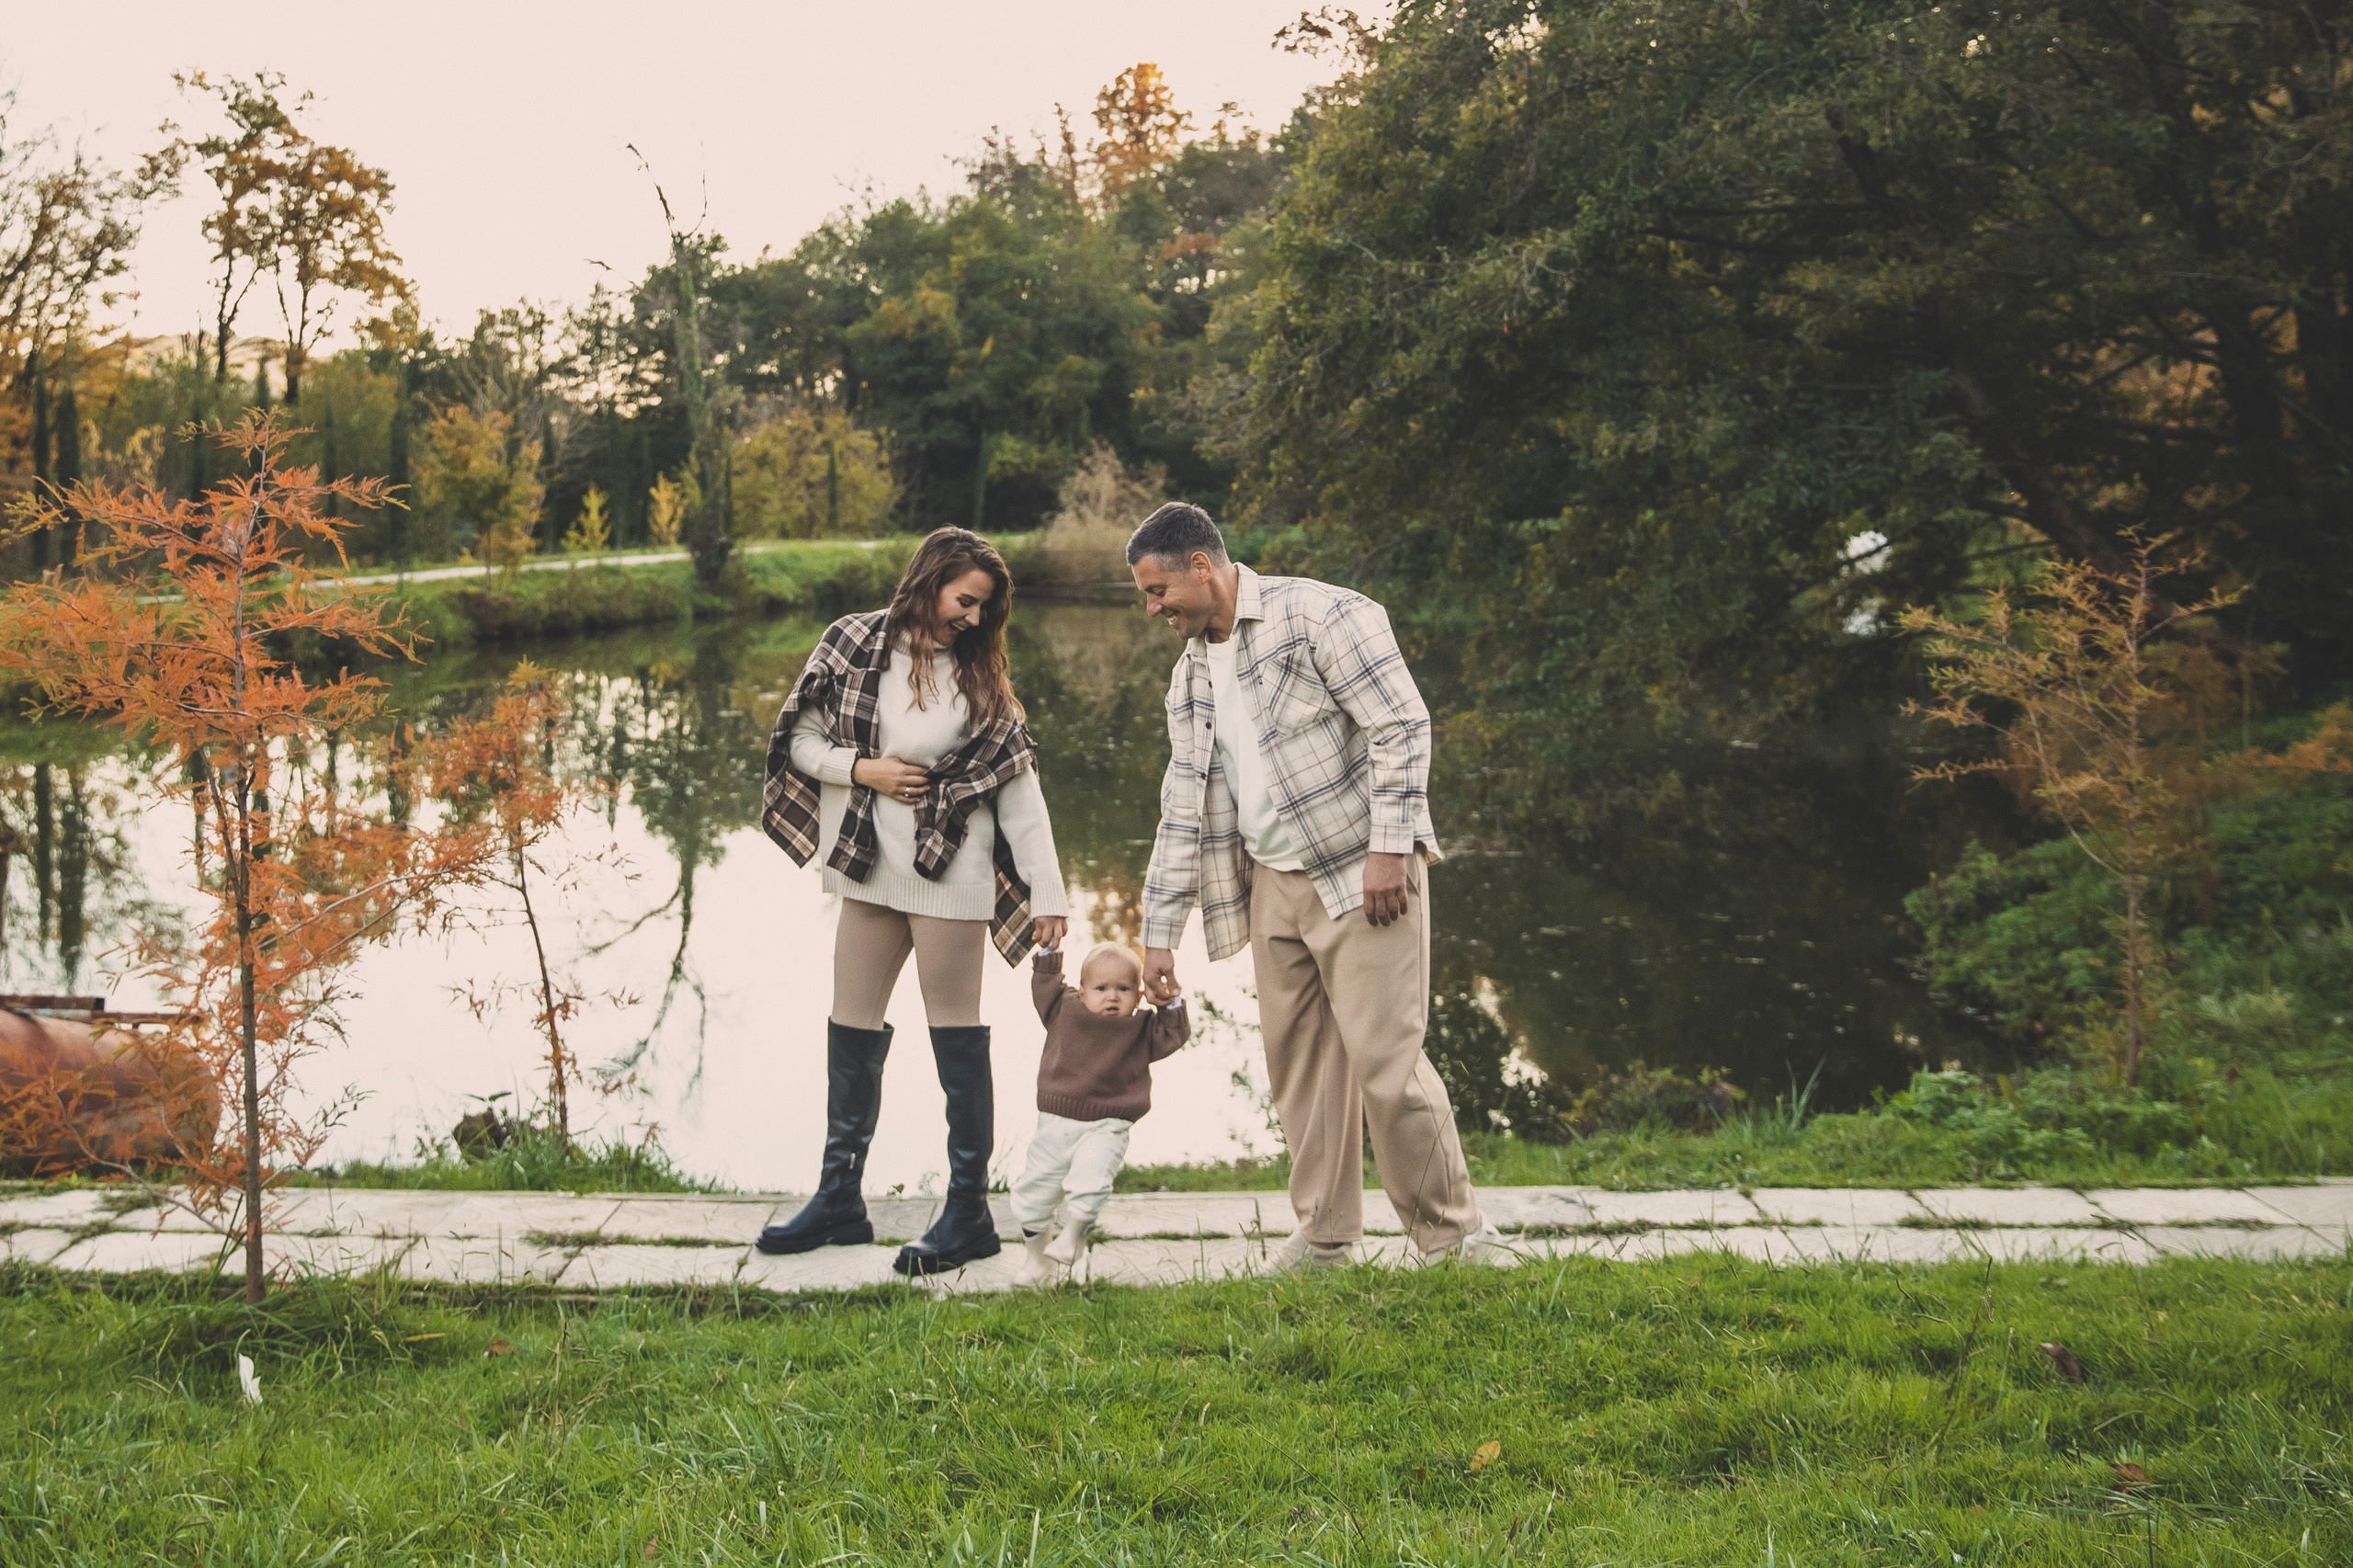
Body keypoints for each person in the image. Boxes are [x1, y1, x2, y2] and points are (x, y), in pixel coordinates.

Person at [1127, 503, 1494, 1272]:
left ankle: (1454, 1239)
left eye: (1158, 591)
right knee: (1300, 1070)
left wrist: (1390, 849)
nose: (1153, 609)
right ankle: (1326, 1237)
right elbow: (1181, 805)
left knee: (1387, 1064)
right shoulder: (1189, 678)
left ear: (1202, 566)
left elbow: (1401, 727)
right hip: (1270, 884)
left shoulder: (1323, 616)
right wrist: (1158, 933)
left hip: (1360, 873)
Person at [755, 528, 1069, 1277]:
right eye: (965, 600)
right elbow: (797, 740)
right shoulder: (851, 643)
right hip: (865, 863)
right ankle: (839, 1198)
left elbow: (1020, 793)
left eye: (983, 607)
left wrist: (1049, 892)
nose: (972, 618)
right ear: (929, 582)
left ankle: (969, 1214)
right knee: (850, 1027)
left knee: (956, 1036)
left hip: (951, 875)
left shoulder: (980, 679)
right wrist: (863, 770)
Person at [1008, 940, 1189, 1286]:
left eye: (1123, 989)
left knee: (1090, 1182)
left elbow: (1174, 1034)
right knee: (1033, 1196)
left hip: (1108, 1124)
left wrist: (1170, 1001)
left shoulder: (1142, 1028)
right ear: (1082, 992)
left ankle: (1073, 1236)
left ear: (1138, 996)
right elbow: (1044, 984)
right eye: (1102, 988)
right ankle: (1036, 1263)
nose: (1112, 997)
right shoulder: (1064, 1009)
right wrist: (1048, 951)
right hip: (1055, 1122)